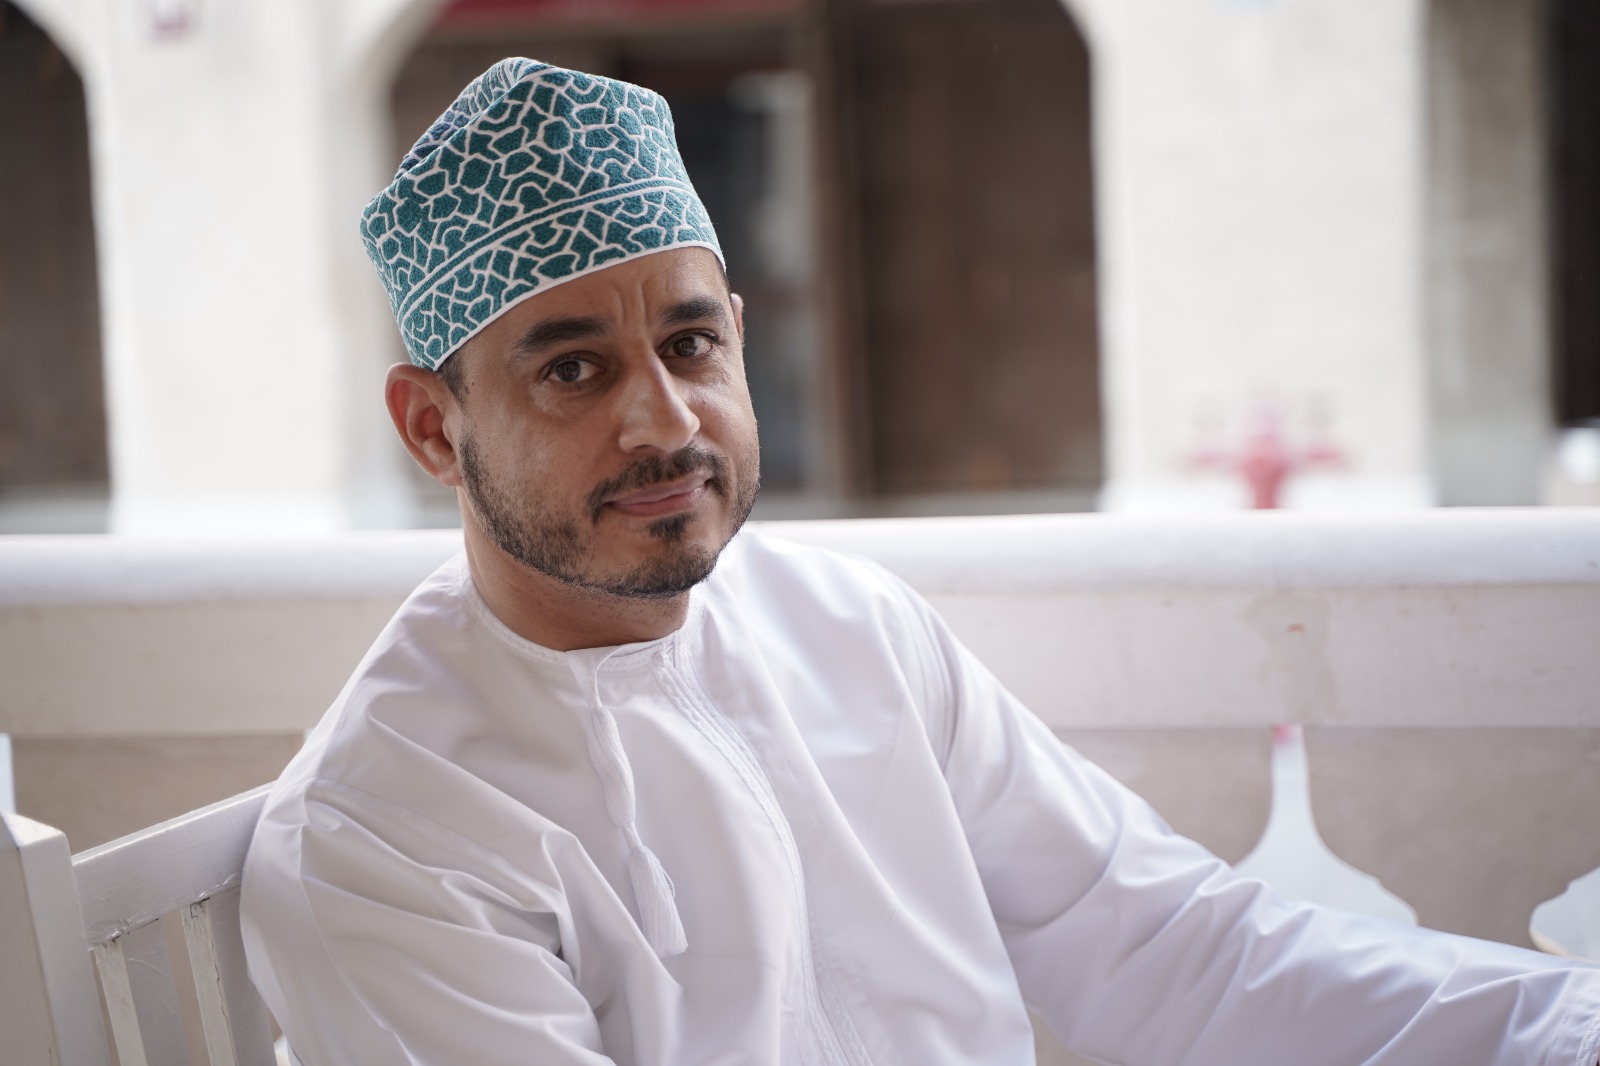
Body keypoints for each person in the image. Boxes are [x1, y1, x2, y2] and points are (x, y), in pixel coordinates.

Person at [239, 57, 1600, 1066]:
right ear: (434, 428)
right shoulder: (384, 838)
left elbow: (1168, 947)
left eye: (692, 344)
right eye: (575, 369)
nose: (666, 420)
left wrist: (1560, 1026)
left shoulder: (846, 627)